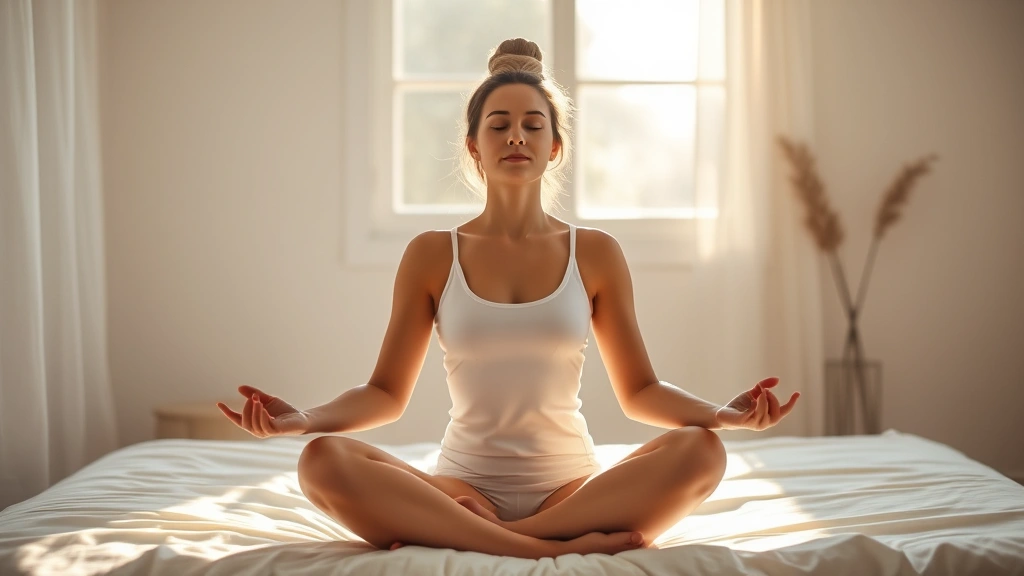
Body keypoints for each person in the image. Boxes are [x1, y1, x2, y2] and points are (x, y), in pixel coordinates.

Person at [217, 37, 799, 560]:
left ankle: (508, 541)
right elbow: (384, 394)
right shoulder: (432, 253)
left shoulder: (594, 253)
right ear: (473, 147)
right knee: (321, 462)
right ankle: (538, 547)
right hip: (461, 488)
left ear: (555, 147)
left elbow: (640, 392)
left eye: (532, 124)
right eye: (498, 125)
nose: (516, 135)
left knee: (703, 452)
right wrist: (304, 422)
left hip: (572, 487)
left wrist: (722, 416)